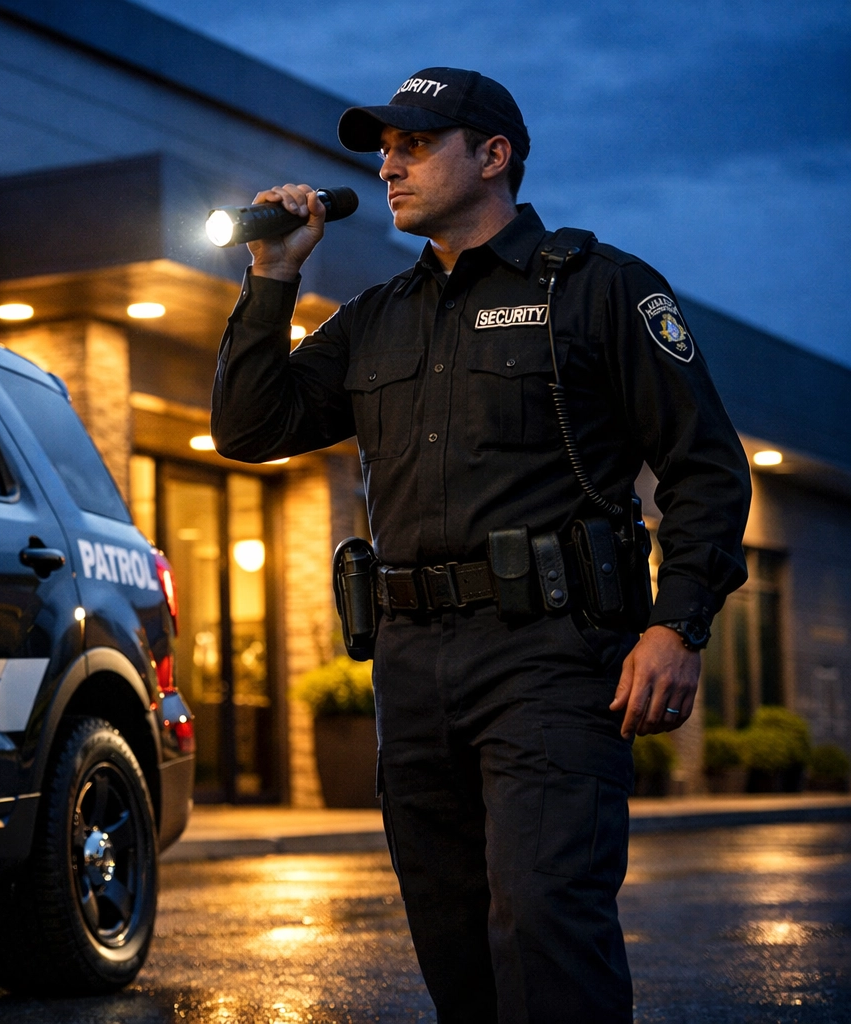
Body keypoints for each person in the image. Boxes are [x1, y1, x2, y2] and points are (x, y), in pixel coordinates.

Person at [211, 67, 751, 1022]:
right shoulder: (376, 317)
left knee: (545, 924)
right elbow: (250, 428)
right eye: (384, 148)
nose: (388, 166)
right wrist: (274, 277)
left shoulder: (600, 288)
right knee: (453, 943)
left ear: (494, 155)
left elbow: (704, 466)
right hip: (411, 668)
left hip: (551, 659)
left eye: (415, 145)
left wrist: (677, 626)